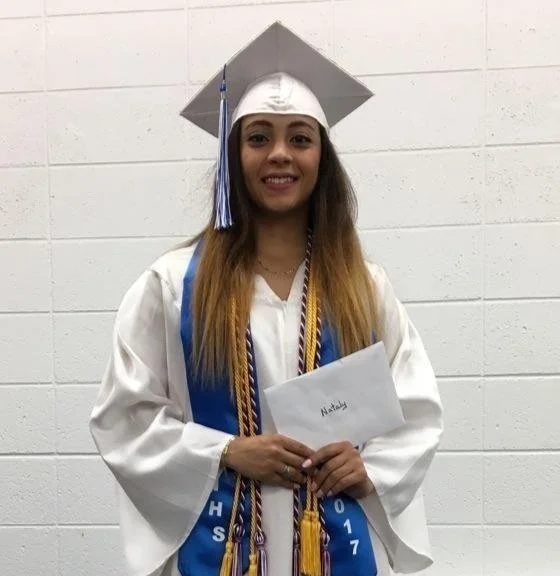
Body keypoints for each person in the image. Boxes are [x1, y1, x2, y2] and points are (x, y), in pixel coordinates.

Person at [90, 22, 443, 576]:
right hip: (222, 546)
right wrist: (225, 452)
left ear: (322, 158)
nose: (280, 154)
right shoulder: (172, 285)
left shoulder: (363, 287)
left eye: (299, 138)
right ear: (234, 155)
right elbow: (124, 418)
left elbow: (414, 406)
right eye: (258, 138)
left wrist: (370, 467)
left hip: (337, 542)